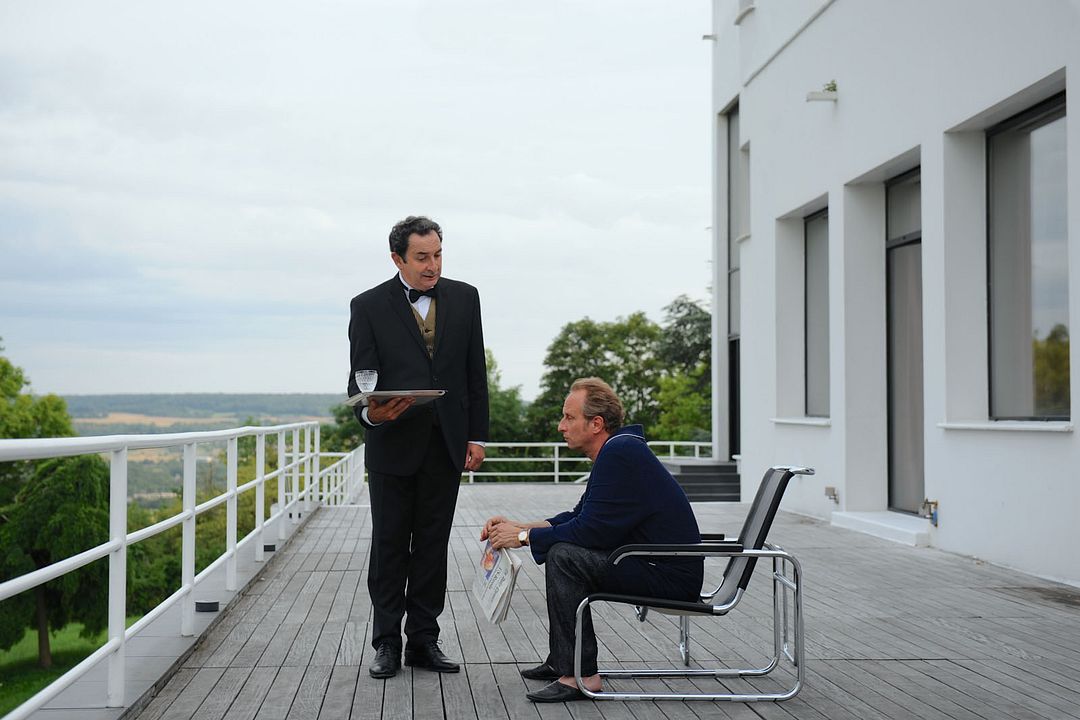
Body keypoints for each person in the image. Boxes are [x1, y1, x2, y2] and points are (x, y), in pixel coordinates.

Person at [482, 378, 703, 703]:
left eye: (569, 417)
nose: (561, 426)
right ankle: (563, 662)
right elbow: (579, 517)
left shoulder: (620, 452)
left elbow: (589, 533)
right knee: (562, 550)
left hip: (667, 576)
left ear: (596, 423)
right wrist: (517, 527)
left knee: (565, 557)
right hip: (649, 562)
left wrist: (523, 537)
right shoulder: (618, 449)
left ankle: (581, 675)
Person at [348, 215, 489, 679]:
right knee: (390, 547)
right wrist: (373, 414)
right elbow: (360, 382)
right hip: (392, 445)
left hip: (446, 444)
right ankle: (386, 643)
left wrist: (476, 435)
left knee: (433, 546)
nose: (433, 266)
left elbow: (474, 374)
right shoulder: (367, 306)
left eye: (438, 255)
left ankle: (424, 641)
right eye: (422, 258)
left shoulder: (466, 298)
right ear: (397, 259)